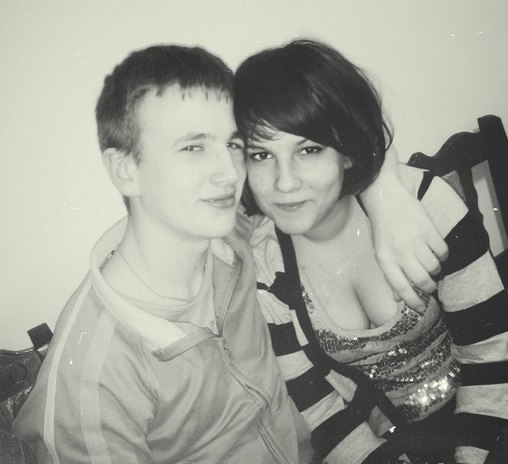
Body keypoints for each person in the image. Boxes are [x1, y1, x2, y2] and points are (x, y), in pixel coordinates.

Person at [10, 44, 447, 463]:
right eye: (193, 147)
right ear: (125, 170)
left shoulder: (237, 236)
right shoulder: (92, 378)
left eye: (235, 146)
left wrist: (386, 194)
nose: (229, 173)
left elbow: (340, 121)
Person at [233, 39, 508, 464]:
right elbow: (322, 409)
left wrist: (471, 458)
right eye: (261, 154)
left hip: (502, 405)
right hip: (398, 444)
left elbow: (489, 357)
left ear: (347, 154)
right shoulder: (265, 269)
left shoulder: (423, 206)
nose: (284, 182)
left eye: (309, 149)